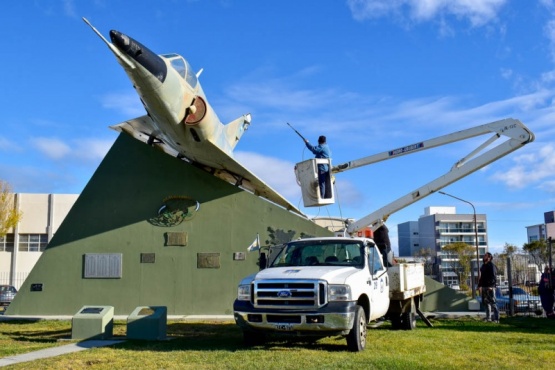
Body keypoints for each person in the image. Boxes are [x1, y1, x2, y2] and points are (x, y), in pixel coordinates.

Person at [478, 252, 500, 323]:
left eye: (486, 256)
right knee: (486, 303)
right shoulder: (483, 266)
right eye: (484, 255)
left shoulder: (492, 266)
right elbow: (481, 278)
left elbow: (494, 277)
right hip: (484, 287)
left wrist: (492, 286)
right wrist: (479, 286)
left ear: (489, 257)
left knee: (493, 303)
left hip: (490, 287)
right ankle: (488, 318)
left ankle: (496, 319)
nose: (484, 257)